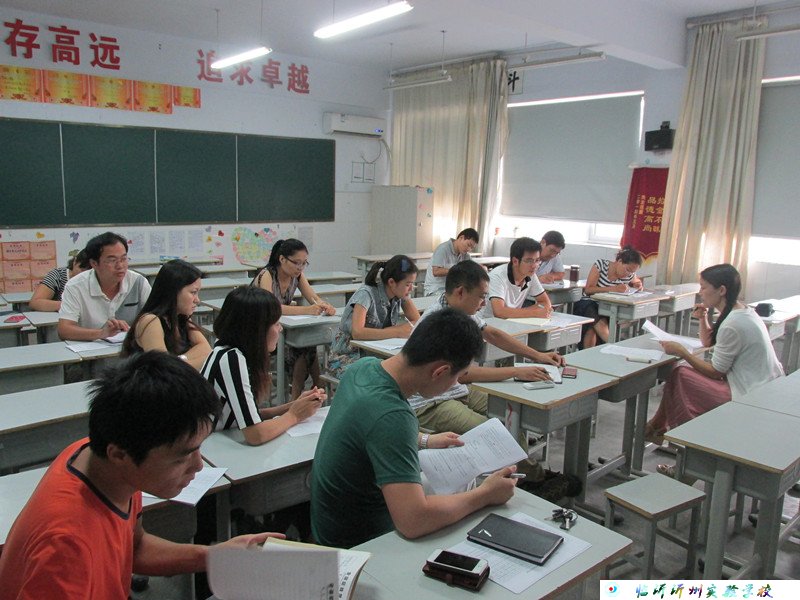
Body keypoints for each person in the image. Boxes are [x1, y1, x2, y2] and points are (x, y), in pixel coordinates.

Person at [0, 352, 280, 599]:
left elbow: (134, 548)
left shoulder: (102, 462)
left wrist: (217, 556)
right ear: (120, 455)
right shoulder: (65, 547)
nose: (198, 466)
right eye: (182, 457)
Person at [311, 308, 518, 549]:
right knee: (473, 501)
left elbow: (370, 430)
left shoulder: (364, 367)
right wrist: (486, 495)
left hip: (328, 524)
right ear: (440, 371)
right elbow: (413, 521)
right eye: (457, 377)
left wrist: (424, 440)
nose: (456, 384)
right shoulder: (393, 416)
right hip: (359, 543)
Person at [408, 261, 580, 502]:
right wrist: (517, 371)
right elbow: (463, 374)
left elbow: (493, 334)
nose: (484, 303)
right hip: (430, 403)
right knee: (497, 436)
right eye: (481, 297)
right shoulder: (439, 323)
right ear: (461, 292)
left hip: (455, 390)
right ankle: (534, 480)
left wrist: (538, 355)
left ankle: (525, 477)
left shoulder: (461, 311)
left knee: (512, 415)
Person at [645, 264, 783, 452]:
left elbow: (716, 372)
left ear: (721, 290)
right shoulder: (741, 311)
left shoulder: (733, 323)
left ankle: (685, 440)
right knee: (680, 373)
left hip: (749, 392)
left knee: (681, 375)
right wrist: (703, 318)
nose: (700, 292)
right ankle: (658, 427)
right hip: (760, 384)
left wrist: (682, 352)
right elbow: (709, 341)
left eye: (703, 287)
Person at [201, 286, 326, 446]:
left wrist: (295, 406)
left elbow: (250, 416)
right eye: (276, 324)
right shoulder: (231, 359)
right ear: (256, 330)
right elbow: (255, 434)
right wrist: (295, 415)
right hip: (208, 449)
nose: (280, 329)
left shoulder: (226, 351)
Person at [252, 239, 336, 400]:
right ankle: (304, 392)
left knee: (307, 342)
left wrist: (325, 306)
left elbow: (313, 298)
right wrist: (307, 310)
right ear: (282, 259)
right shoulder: (267, 275)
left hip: (280, 328)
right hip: (260, 331)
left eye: (304, 263)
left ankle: (302, 392)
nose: (300, 267)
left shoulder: (297, 276)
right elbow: (272, 307)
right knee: (302, 346)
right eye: (296, 263)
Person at [327, 254, 420, 376]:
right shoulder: (366, 294)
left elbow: (417, 322)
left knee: (408, 370)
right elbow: (358, 332)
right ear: (391, 282)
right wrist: (397, 331)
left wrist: (401, 330)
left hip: (374, 354)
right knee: (383, 377)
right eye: (408, 284)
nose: (411, 288)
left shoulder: (400, 294)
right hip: (347, 356)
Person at [58, 231, 151, 341]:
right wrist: (102, 333)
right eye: (112, 260)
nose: (120, 266)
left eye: (123, 259)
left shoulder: (138, 282)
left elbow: (156, 318)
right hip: (92, 349)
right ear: (94, 263)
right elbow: (64, 330)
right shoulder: (75, 286)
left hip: (130, 348)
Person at [121, 259, 211, 370]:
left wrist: (179, 360)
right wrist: (199, 360)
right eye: (193, 292)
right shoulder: (150, 321)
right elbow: (164, 369)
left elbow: (206, 349)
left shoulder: (181, 317)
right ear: (173, 291)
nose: (197, 300)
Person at [573, 246, 643, 348]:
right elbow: (588, 290)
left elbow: (636, 281)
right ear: (619, 261)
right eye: (627, 270)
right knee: (593, 323)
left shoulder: (630, 275)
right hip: (588, 303)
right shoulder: (601, 265)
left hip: (608, 306)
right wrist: (613, 288)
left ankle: (611, 347)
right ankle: (615, 346)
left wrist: (638, 285)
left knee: (594, 326)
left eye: (632, 272)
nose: (628, 274)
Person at [483, 237, 552, 319]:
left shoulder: (531, 275)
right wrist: (535, 313)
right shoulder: (497, 276)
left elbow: (545, 303)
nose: (534, 266)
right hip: (487, 322)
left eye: (537, 260)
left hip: (511, 321)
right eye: (529, 261)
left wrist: (522, 313)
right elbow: (499, 312)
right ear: (515, 261)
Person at [423, 228, 479, 296]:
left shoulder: (465, 254)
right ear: (461, 238)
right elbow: (436, 271)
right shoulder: (443, 249)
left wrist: (480, 268)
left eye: (471, 248)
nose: (469, 249)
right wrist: (457, 271)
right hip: (435, 288)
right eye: (468, 245)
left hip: (451, 288)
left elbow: (473, 268)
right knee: (457, 299)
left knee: (471, 296)